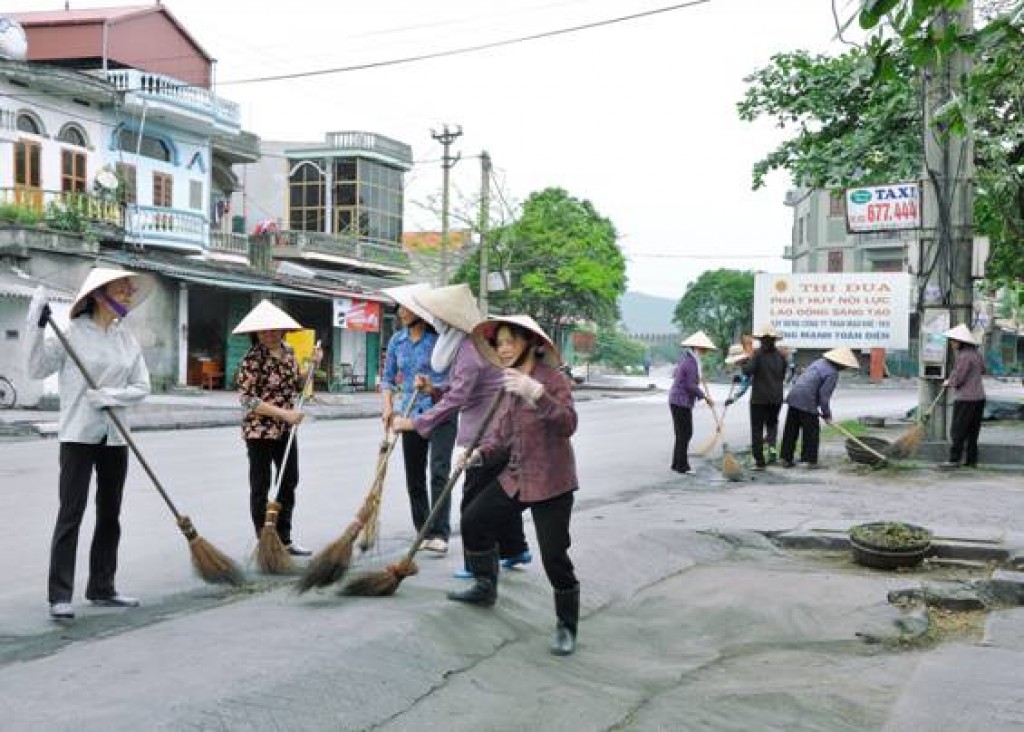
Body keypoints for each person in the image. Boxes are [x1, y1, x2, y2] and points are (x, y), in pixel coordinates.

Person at [26, 267, 153, 620]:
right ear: (99, 295)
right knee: (71, 514)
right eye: (122, 289)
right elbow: (36, 368)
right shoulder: (70, 334)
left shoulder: (126, 339)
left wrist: (112, 395)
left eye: (129, 290)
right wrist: (37, 326)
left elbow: (142, 387)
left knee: (110, 514)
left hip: (116, 436)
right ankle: (59, 595)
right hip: (79, 434)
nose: (128, 295)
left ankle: (102, 586)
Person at [450, 315, 581, 656]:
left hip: (552, 480)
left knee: (554, 556)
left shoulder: (551, 380)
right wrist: (477, 454)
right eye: (500, 343)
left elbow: (568, 424)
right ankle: (484, 586)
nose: (504, 349)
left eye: (511, 341)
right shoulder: (507, 385)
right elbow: (503, 436)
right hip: (517, 476)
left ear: (531, 344)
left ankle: (566, 626)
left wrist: (537, 393)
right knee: (474, 519)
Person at [391, 284, 532, 574]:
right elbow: (459, 389)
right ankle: (516, 550)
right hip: (494, 430)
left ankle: (476, 562)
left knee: (473, 503)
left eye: (439, 318)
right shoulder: (468, 345)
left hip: (485, 435)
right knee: (496, 493)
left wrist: (416, 422)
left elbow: (459, 398)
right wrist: (433, 388)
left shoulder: (468, 348)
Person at [234, 300, 318, 557]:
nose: (268, 334)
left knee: (289, 481)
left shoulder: (289, 352)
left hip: (286, 431)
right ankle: (265, 541)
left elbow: (297, 386)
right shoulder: (252, 360)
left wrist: (313, 366)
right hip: (259, 431)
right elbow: (248, 400)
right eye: (263, 330)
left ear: (282, 330)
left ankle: (284, 538)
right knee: (261, 485)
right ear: (256, 333)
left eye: (273, 329)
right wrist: (284, 414)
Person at [381, 284, 456, 555]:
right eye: (400, 307)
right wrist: (387, 406)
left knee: (438, 473)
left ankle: (440, 533)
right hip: (410, 415)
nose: (401, 312)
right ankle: (422, 529)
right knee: (414, 476)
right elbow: (388, 378)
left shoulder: (439, 341)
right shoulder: (397, 341)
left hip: (440, 412)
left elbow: (450, 382)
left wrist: (431, 388)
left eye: (407, 307)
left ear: (421, 312)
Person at [779, 347, 860, 469]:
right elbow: (824, 396)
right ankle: (809, 460)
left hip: (794, 396)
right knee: (811, 431)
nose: (846, 368)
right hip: (807, 400)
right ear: (841, 364)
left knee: (791, 429)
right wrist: (827, 415)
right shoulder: (832, 373)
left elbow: (802, 379)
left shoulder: (818, 362)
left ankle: (785, 458)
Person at [733, 325, 787, 470]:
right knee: (772, 426)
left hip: (759, 399)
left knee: (757, 429)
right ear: (775, 340)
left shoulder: (758, 355)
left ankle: (760, 461)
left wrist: (743, 362)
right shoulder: (781, 356)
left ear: (762, 340)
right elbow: (782, 376)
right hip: (776, 398)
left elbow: (748, 371)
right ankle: (772, 455)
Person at [668, 331, 717, 474]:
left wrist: (698, 379)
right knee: (685, 433)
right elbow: (690, 385)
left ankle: (677, 464)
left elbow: (689, 379)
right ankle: (682, 466)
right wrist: (705, 397)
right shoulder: (690, 362)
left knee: (681, 434)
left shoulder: (691, 360)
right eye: (704, 349)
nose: (706, 351)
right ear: (697, 347)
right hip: (680, 401)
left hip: (678, 401)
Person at [941, 324, 986, 468]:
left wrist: (949, 382)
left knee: (958, 430)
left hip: (966, 399)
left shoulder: (964, 356)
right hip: (979, 398)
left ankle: (954, 460)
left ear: (961, 342)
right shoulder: (976, 354)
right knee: (973, 431)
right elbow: (983, 370)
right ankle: (971, 461)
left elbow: (959, 379)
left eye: (953, 341)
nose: (951, 343)